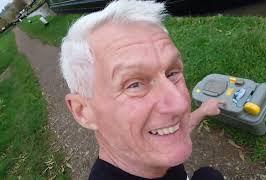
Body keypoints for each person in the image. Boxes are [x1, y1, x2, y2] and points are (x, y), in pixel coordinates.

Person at [60, 0, 224, 179]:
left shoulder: (146, 149)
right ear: (83, 112)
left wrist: (202, 111)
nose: (180, 104)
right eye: (134, 85)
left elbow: (170, 128)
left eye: (172, 73)